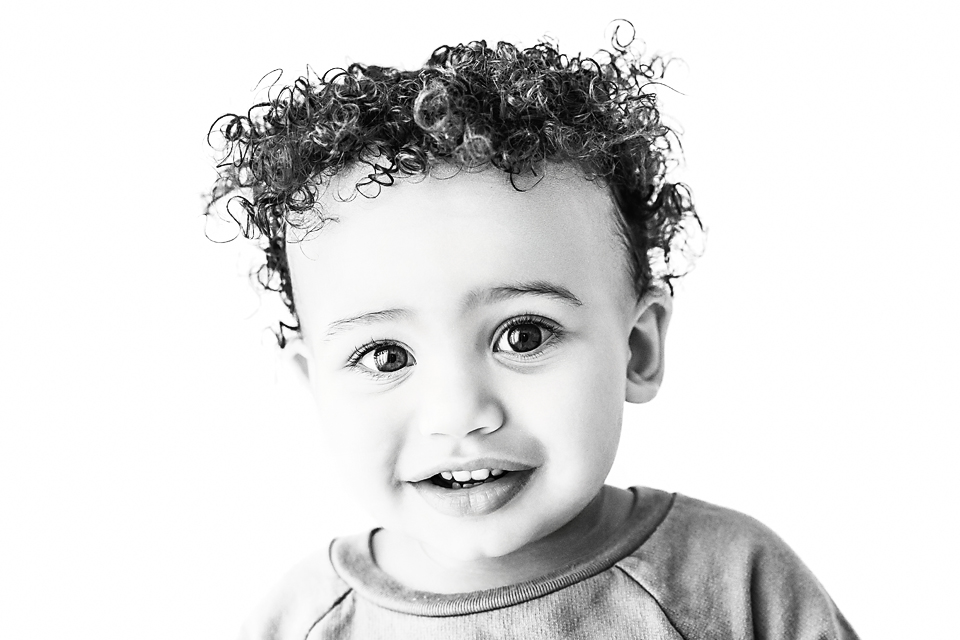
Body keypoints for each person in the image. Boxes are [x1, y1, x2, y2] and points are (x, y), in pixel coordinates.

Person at [204, 25, 859, 640]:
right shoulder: (300, 622)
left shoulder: (734, 586)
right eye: (385, 355)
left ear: (637, 348)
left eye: (523, 335)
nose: (459, 414)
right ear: (314, 386)